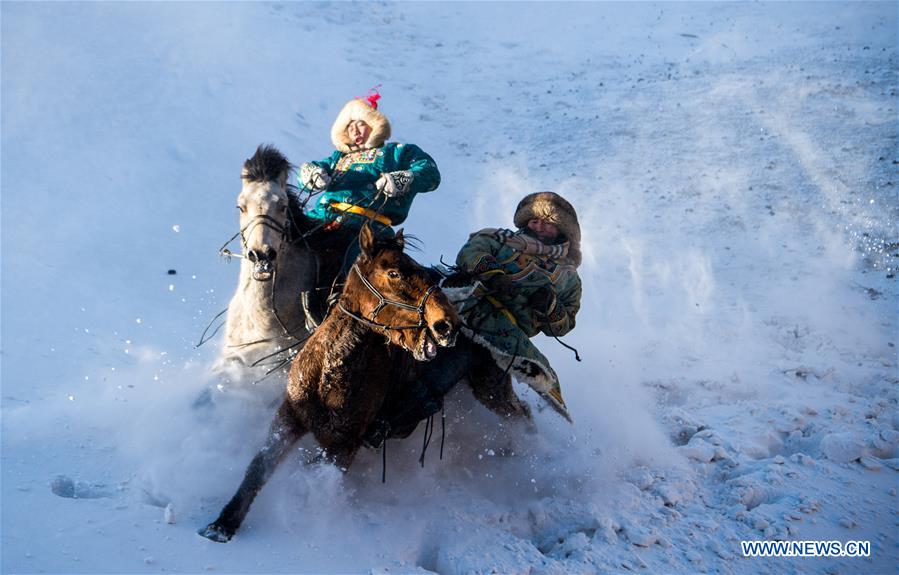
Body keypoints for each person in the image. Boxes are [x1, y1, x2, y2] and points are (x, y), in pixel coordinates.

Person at [364, 191, 583, 445]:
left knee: (444, 372)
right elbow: (470, 252)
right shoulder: (498, 238)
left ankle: (385, 426)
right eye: (534, 220)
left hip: (498, 333)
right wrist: (494, 274)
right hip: (456, 301)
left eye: (547, 222)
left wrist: (550, 306)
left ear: (561, 230)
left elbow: (565, 324)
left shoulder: (568, 278)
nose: (538, 225)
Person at [297, 91, 441, 324]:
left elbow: (429, 172)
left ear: (375, 126)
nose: (355, 130)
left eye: (361, 123)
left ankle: (338, 310)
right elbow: (307, 170)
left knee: (357, 263)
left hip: (367, 227)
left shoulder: (398, 152)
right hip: (324, 219)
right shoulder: (337, 158)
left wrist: (401, 179)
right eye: (350, 126)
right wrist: (313, 174)